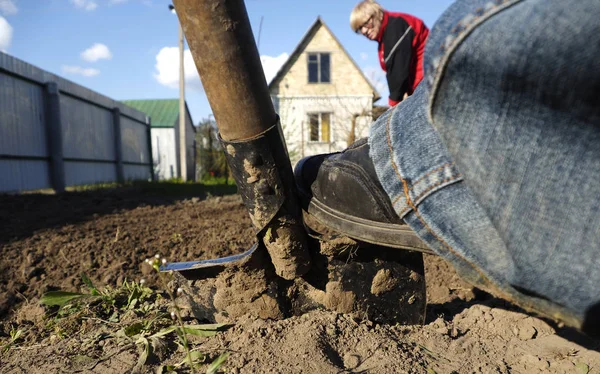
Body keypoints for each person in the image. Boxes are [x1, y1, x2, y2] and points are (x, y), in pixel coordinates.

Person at [297, 0, 600, 336]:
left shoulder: (395, 28)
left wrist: (395, 116)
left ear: (375, 16)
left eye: (366, 27)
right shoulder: (386, 38)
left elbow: (399, 76)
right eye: (361, 32)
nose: (366, 34)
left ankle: (413, 165)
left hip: (437, 99)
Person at [350, 0, 429, 106]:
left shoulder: (395, 27)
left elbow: (398, 76)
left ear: (377, 14)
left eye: (366, 23)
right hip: (418, 90)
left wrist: (393, 105)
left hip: (428, 83)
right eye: (359, 29)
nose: (364, 31)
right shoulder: (382, 43)